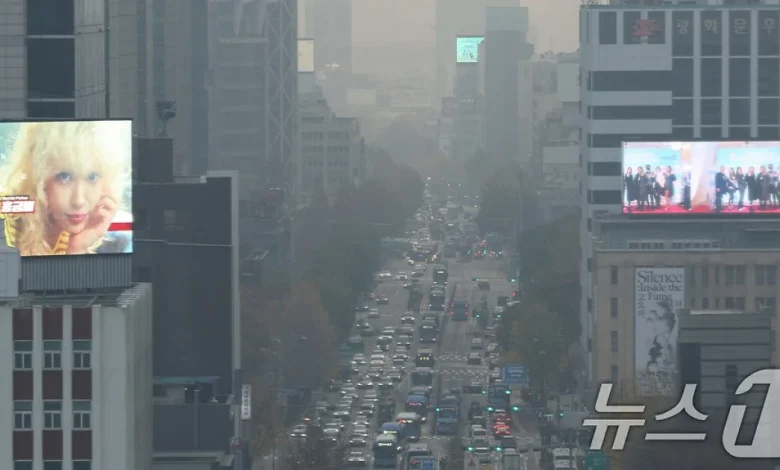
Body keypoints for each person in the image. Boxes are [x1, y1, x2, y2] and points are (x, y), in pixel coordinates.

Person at [0, 121, 132, 256]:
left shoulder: (68, 228)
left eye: (92, 177)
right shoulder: (6, 213)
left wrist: (77, 248)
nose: (79, 201)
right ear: (38, 175)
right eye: (64, 177)